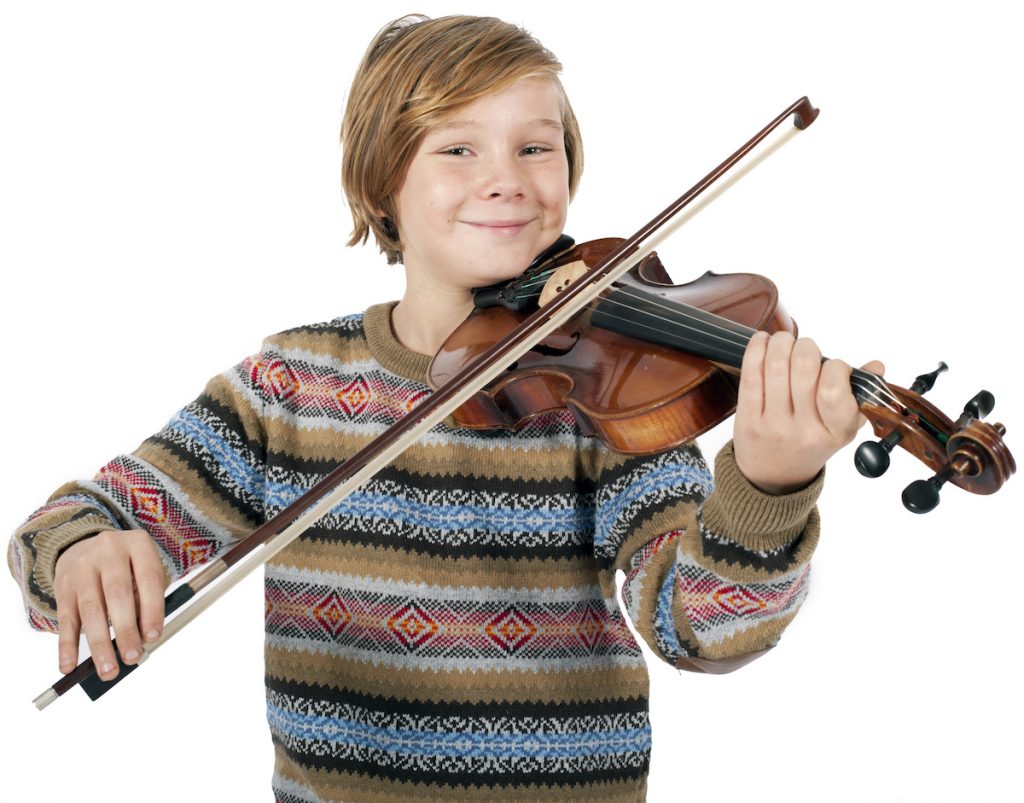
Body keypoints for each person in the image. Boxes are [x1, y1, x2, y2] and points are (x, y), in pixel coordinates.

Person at [8, 14, 881, 802]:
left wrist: (768, 487)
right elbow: (64, 530)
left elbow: (699, 629)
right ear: (381, 181)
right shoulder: (292, 384)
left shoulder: (608, 392)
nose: (505, 181)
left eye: (537, 149)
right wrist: (85, 550)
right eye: (457, 150)